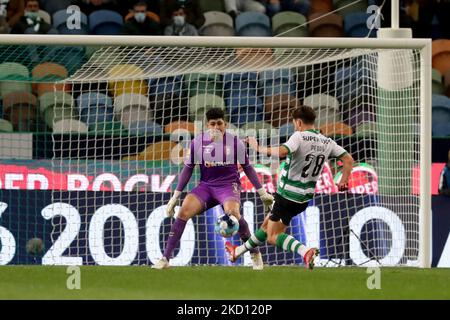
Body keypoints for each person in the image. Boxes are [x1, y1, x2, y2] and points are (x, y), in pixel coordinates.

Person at [226, 106, 354, 269]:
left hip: (286, 196)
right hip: (304, 198)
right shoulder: (327, 141)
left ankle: (306, 251)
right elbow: (348, 160)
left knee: (273, 236)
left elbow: (282, 152)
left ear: (299, 122)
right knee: (266, 227)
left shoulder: (299, 137)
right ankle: (237, 252)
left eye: (294, 123)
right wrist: (343, 180)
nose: (294, 126)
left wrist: (258, 148)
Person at [152, 108, 275, 270]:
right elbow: (188, 169)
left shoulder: (235, 142)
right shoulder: (198, 142)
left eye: (219, 123)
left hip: (228, 186)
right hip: (206, 186)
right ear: (207, 125)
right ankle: (165, 258)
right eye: (212, 123)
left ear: (225, 124)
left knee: (234, 215)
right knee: (183, 213)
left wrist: (262, 192)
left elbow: (247, 167)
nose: (216, 126)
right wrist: (175, 197)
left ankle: (254, 253)